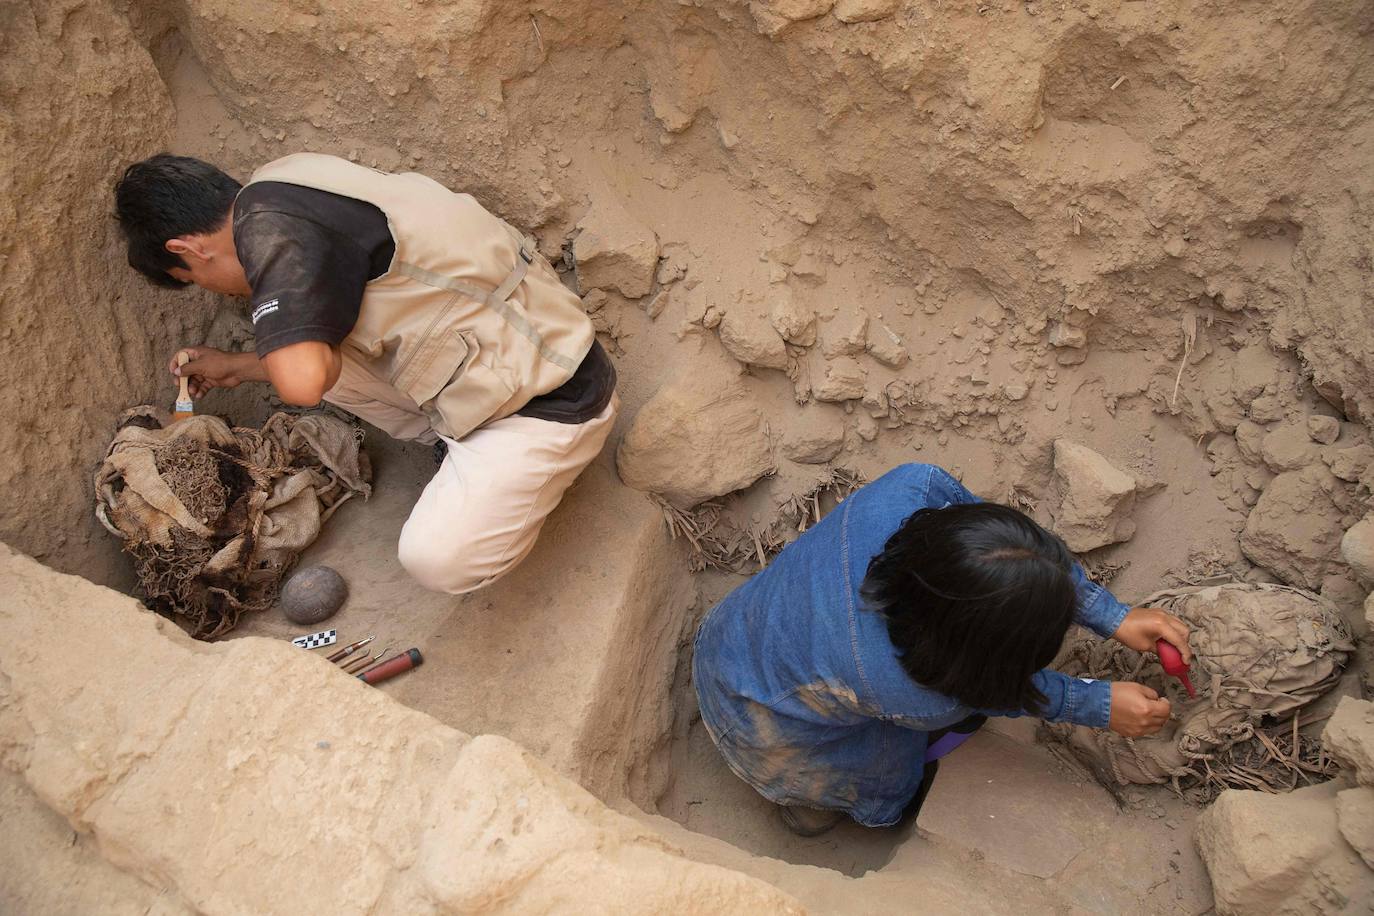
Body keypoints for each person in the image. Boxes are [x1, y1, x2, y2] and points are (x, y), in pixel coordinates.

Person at [114, 153, 617, 594]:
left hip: (554, 400)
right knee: (319, 344)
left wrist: (284, 353)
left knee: (436, 560)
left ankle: (521, 478)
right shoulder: (285, 181)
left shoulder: (268, 235)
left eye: (195, 279)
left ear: (187, 249)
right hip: (532, 335)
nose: (215, 288)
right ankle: (464, 455)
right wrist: (237, 368)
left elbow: (302, 383)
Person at [692, 463, 1190, 837]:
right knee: (891, 784)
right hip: (763, 733)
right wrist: (1094, 704)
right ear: (965, 655)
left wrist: (1113, 614)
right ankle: (810, 804)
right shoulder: (911, 694)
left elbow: (1022, 559)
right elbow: (989, 693)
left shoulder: (913, 487)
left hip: (731, 634)